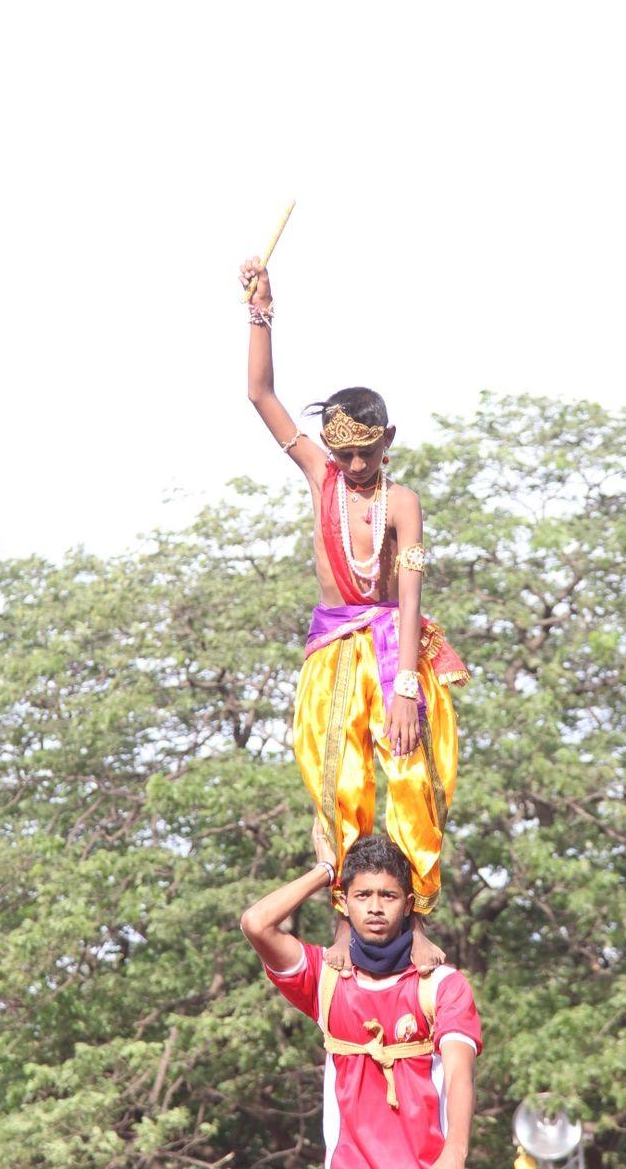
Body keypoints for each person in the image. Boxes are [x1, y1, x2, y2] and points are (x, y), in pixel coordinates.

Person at [240, 255, 469, 973]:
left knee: (409, 776)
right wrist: (260, 311)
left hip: (393, 651)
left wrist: (406, 686)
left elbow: (409, 594)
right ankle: (343, 924)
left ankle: (421, 919)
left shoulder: (402, 503)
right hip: (332, 647)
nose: (356, 462)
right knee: (335, 781)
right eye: (345, 452)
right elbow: (258, 392)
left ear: (389, 441)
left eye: (367, 451)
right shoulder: (323, 477)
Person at [240, 825, 481, 1169]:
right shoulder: (325, 979)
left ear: (408, 904)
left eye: (388, 895)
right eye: (363, 895)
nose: (375, 908)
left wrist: (455, 1154)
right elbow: (255, 923)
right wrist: (325, 871)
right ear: (344, 901)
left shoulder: (442, 985)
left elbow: (460, 1073)